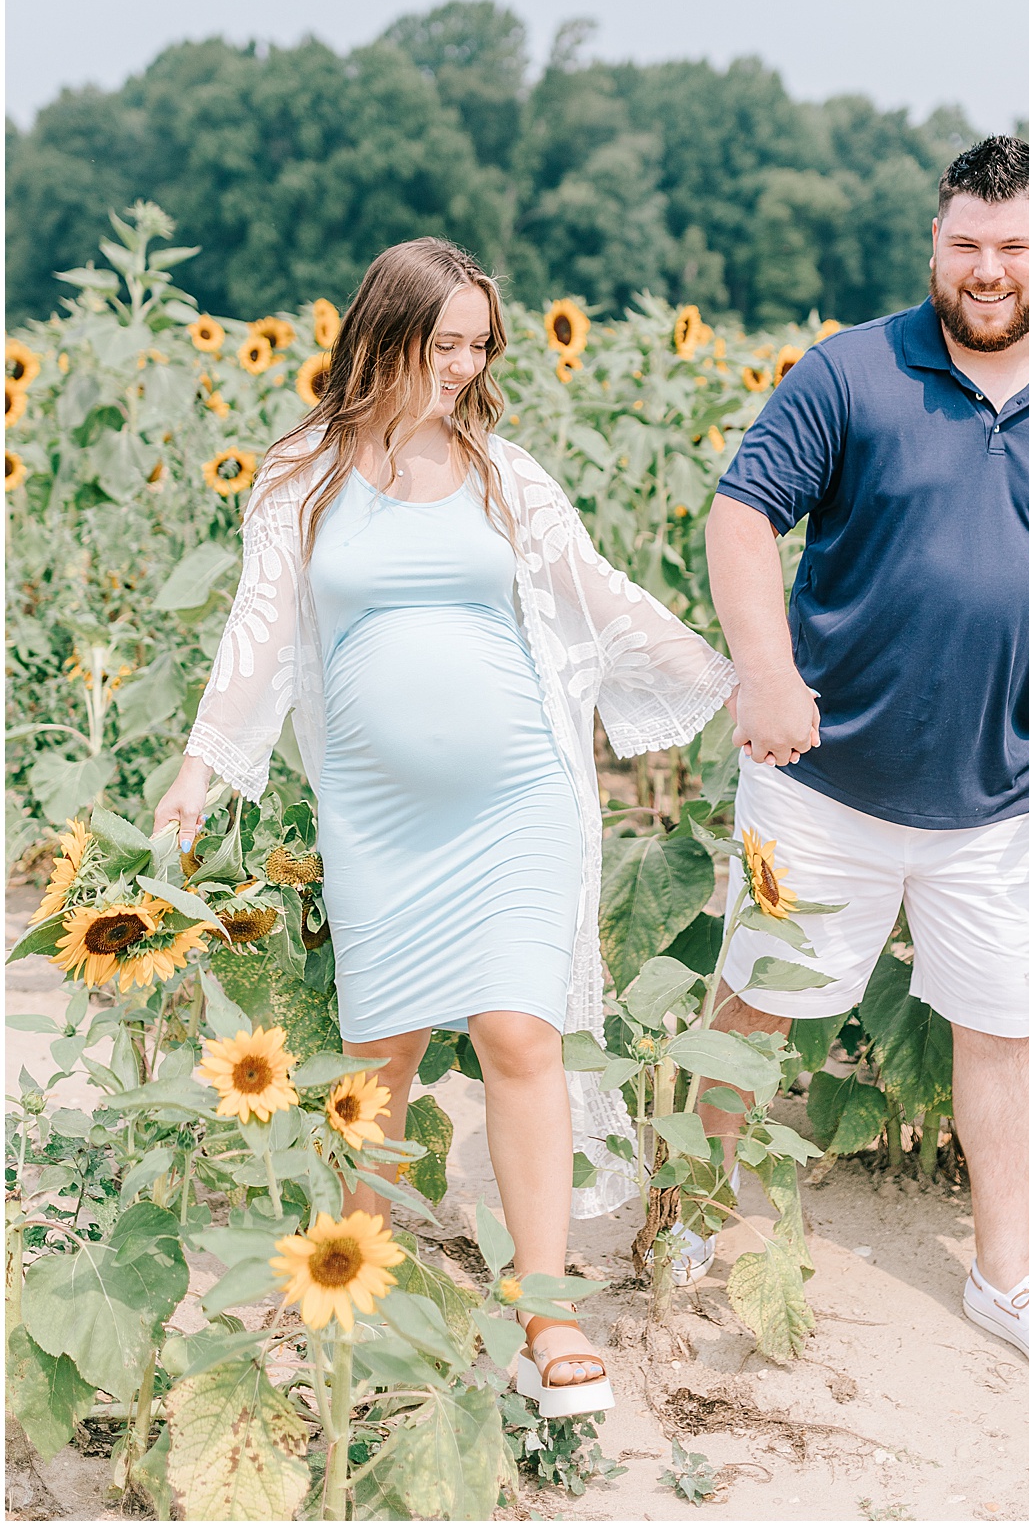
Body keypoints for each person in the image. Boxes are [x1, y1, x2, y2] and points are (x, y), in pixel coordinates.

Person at [155, 238, 735, 1415]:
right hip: (377, 814)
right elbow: (258, 630)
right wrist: (202, 764)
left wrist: (744, 678)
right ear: (386, 333)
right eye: (447, 343)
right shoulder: (302, 474)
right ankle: (347, 1293)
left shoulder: (502, 472)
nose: (467, 366)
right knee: (385, 1060)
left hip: (518, 793)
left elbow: (596, 593)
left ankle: (547, 1307)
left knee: (520, 1033)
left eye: (480, 344)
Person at [698, 136, 1029, 1390]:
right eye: (966, 242)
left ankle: (1004, 1272)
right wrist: (765, 666)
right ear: (936, 242)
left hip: (999, 787)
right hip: (821, 779)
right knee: (759, 994)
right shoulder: (852, 372)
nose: (989, 269)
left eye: (1014, 246)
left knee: (1006, 1027)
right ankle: (692, 1209)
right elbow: (742, 514)